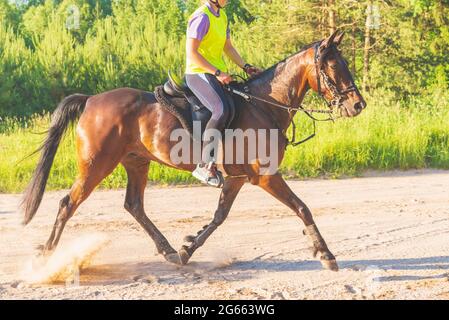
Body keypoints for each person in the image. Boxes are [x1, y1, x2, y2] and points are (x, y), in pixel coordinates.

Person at [185, 0, 263, 187]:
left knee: (235, 106)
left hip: (215, 73)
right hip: (198, 73)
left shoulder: (223, 16)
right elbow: (191, 53)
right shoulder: (202, 17)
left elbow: (227, 47)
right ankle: (204, 165)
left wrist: (245, 66)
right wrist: (217, 73)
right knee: (220, 110)